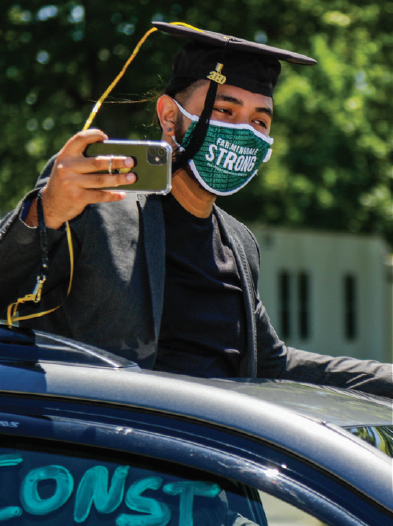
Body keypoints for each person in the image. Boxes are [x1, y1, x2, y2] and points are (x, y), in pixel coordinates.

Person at [0, 22, 391, 397]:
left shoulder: (238, 243)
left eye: (259, 120)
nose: (244, 131)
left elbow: (271, 365)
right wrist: (43, 213)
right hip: (107, 455)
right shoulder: (94, 202)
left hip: (209, 456)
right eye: (225, 110)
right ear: (170, 116)